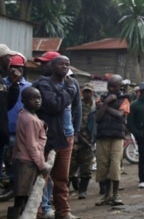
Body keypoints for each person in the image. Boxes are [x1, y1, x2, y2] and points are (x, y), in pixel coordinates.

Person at [32, 55, 81, 219]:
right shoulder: (44, 84)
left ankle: (63, 211)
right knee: (42, 177)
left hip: (68, 136)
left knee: (62, 178)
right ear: (52, 66)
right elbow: (54, 105)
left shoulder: (72, 84)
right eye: (61, 64)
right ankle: (37, 211)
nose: (65, 67)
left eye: (67, 64)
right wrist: (68, 89)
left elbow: (76, 109)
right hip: (49, 137)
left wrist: (75, 130)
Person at [10, 87, 49, 218]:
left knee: (20, 195)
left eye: (39, 98)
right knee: (24, 195)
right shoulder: (30, 119)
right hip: (28, 161)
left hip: (21, 158)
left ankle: (17, 214)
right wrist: (42, 165)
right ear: (24, 101)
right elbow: (32, 145)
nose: (37, 101)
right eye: (33, 99)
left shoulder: (25, 114)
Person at [94, 74, 130, 206]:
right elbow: (97, 118)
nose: (111, 88)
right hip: (102, 136)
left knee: (115, 166)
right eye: (109, 86)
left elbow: (120, 115)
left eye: (114, 86)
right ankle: (106, 195)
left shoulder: (125, 99)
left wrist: (104, 106)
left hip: (117, 137)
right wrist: (107, 102)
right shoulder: (102, 98)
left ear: (120, 86)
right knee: (103, 166)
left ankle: (115, 195)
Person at [1, 53, 31, 202]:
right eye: (13, 67)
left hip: (20, 131)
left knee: (16, 162)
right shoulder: (3, 83)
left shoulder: (30, 87)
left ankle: (15, 192)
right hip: (5, 129)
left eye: (19, 68)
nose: (15, 71)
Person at [68, 83, 96, 200]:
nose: (87, 94)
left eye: (89, 91)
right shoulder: (77, 105)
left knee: (86, 168)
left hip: (88, 142)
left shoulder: (95, 107)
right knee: (70, 168)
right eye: (85, 91)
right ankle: (64, 192)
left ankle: (82, 191)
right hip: (76, 139)